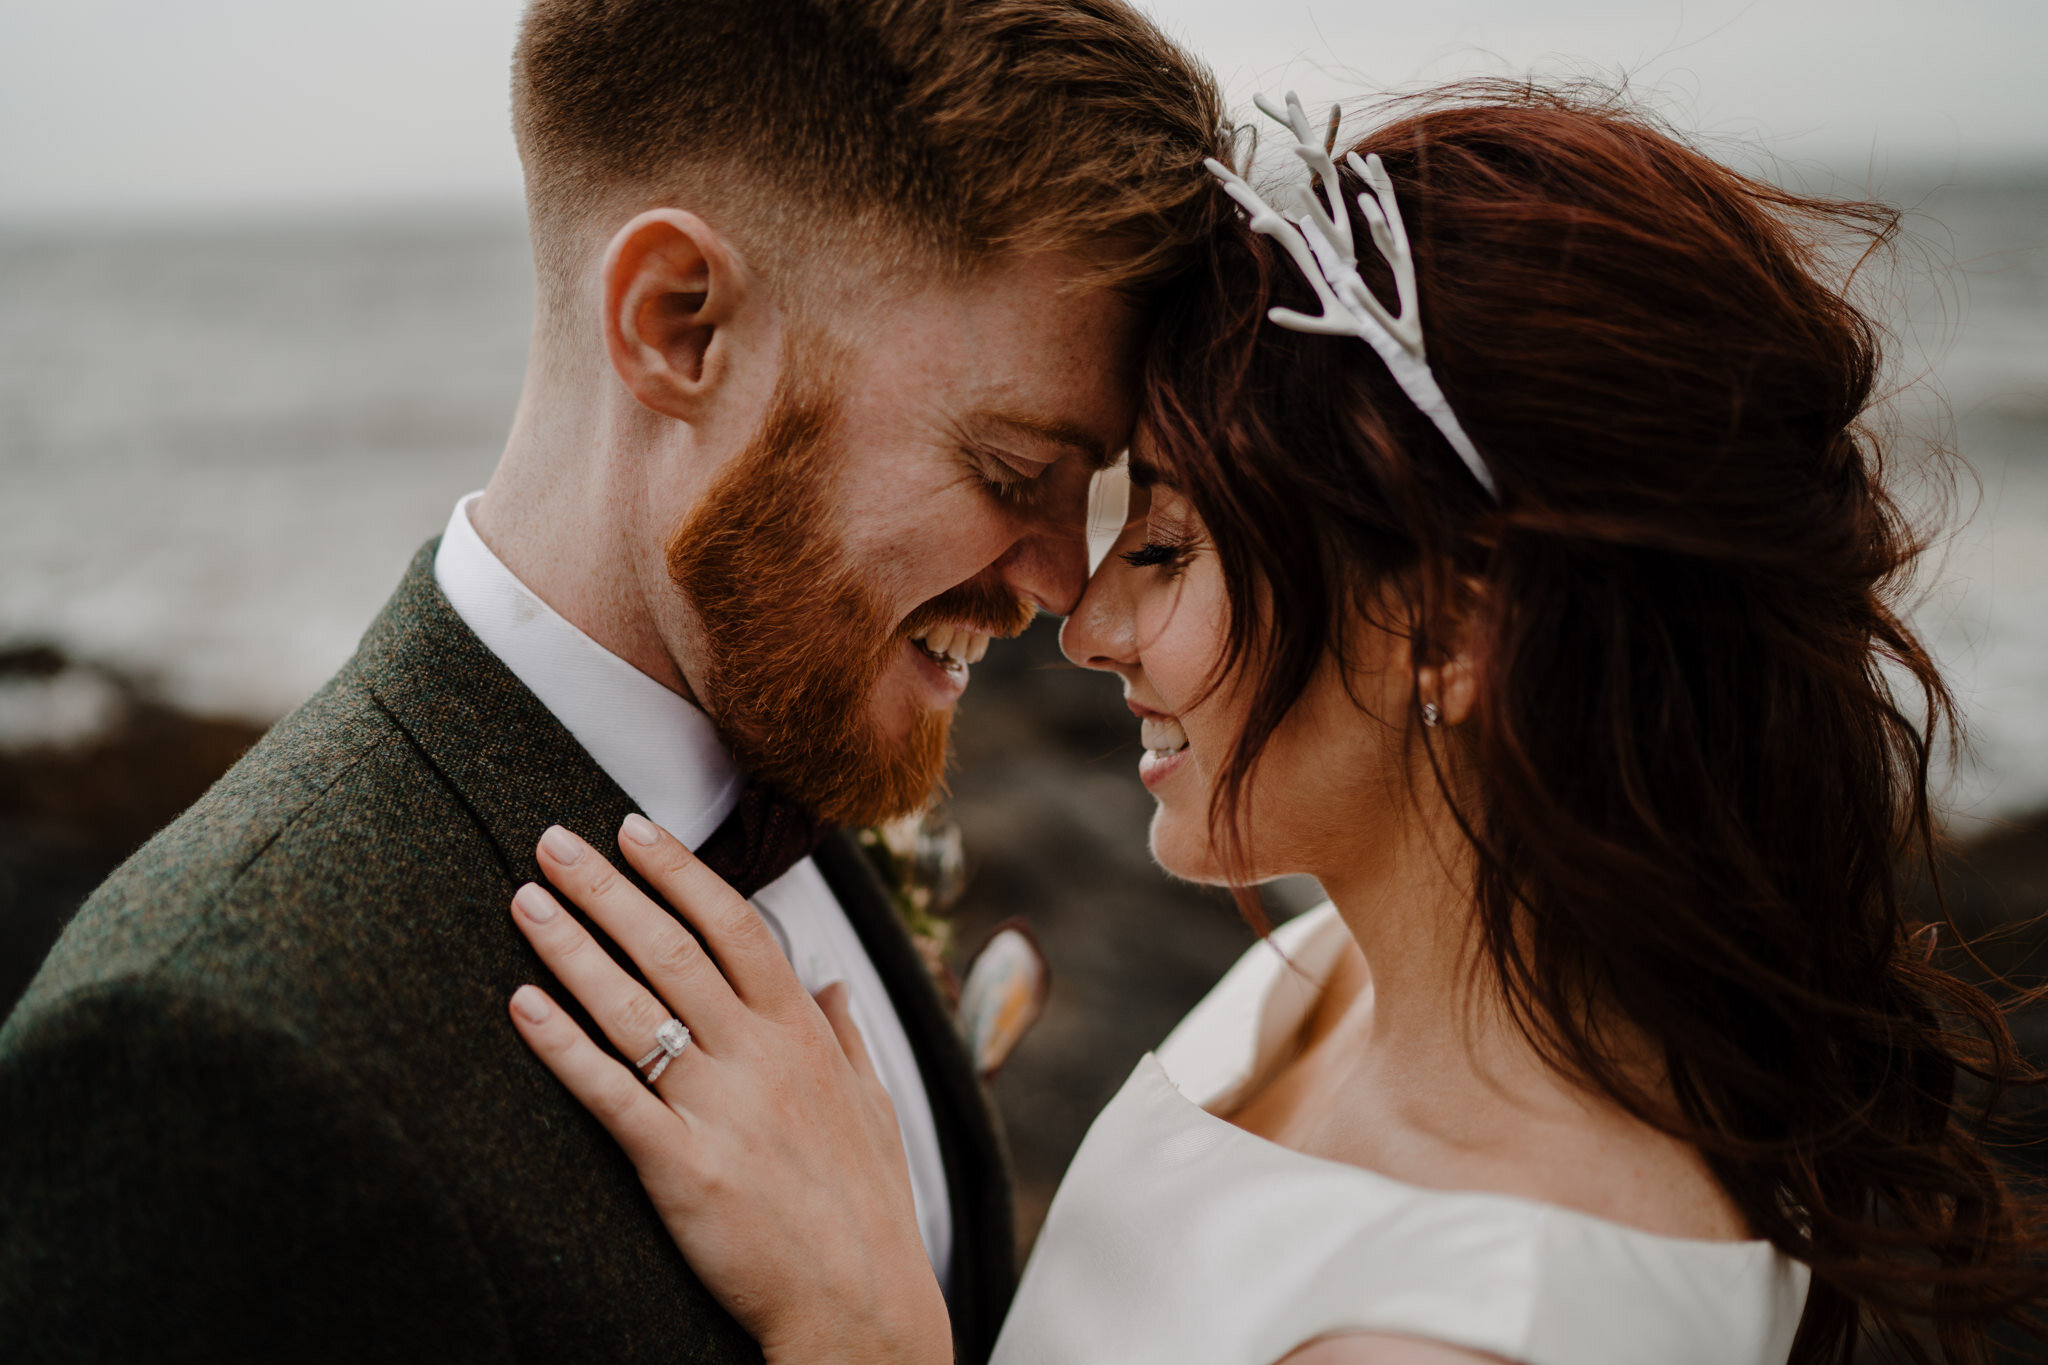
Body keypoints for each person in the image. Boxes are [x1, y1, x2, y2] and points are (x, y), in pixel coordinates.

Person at [502, 84, 2048, 1364]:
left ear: (1451, 618)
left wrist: (860, 1328)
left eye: (1164, 547)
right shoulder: (1327, 971)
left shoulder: (1463, 1334)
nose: (1086, 621)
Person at [0, 2, 1226, 1360]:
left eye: (1094, 491)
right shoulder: (202, 1058)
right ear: (679, 325)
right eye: (1010, 471)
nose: (1064, 583)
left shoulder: (801, 730)